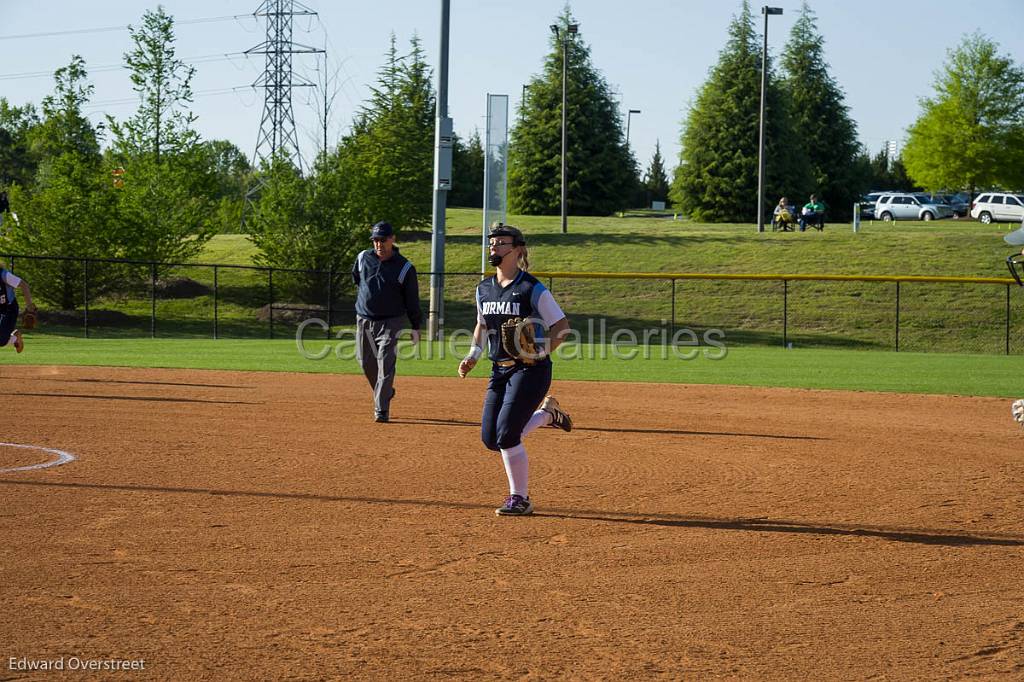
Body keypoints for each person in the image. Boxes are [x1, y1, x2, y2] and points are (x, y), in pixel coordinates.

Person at [457, 224, 573, 517]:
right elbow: (482, 325)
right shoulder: (483, 289)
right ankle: (549, 415)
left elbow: (562, 327)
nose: (493, 247)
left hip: (531, 371)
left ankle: (519, 498)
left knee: (507, 435)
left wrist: (541, 351)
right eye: (491, 242)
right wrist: (473, 354)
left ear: (517, 249)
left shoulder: (531, 288)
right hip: (499, 369)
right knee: (490, 438)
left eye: (500, 242)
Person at [351, 221, 422, 423]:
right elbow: (356, 278)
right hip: (364, 319)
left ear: (392, 239)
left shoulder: (405, 267)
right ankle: (385, 392)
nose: (379, 244)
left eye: (383, 240)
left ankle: (381, 409)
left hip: (391, 322)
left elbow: (412, 300)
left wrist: (416, 326)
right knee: (365, 363)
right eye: (375, 240)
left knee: (385, 363)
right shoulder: (363, 258)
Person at [0, 261, 36, 354]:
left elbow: (24, 285)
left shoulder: (3, 274)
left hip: (9, 309)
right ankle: (13, 338)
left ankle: (15, 338)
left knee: (1, 340)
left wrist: (29, 307)